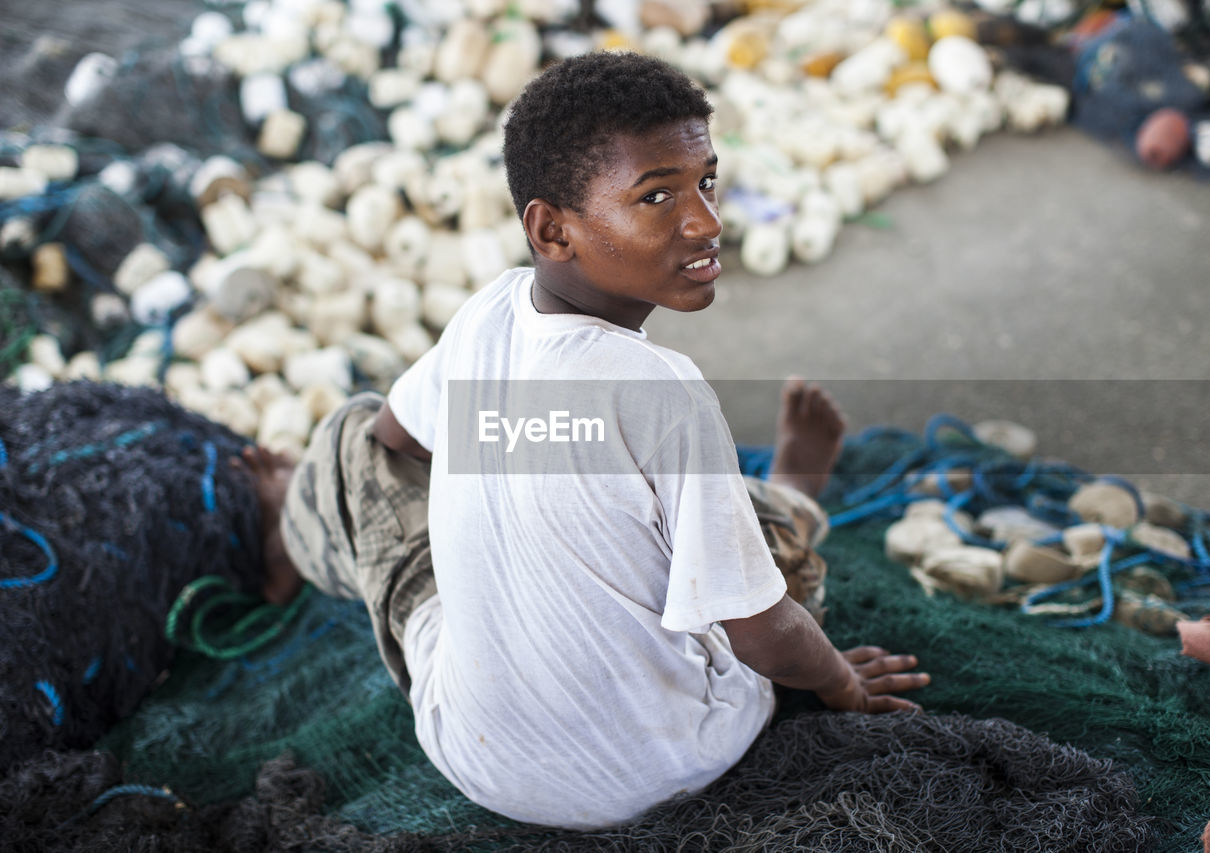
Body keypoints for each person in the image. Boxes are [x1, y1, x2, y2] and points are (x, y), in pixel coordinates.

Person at [240, 51, 928, 830]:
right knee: (749, 527)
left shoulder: (481, 320)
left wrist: (508, 484)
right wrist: (840, 683)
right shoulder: (661, 388)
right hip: (687, 756)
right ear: (551, 229)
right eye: (657, 196)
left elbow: (393, 440)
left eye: (706, 180)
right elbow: (759, 630)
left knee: (347, 437)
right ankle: (799, 492)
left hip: (481, 758)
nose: (705, 220)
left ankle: (288, 525)